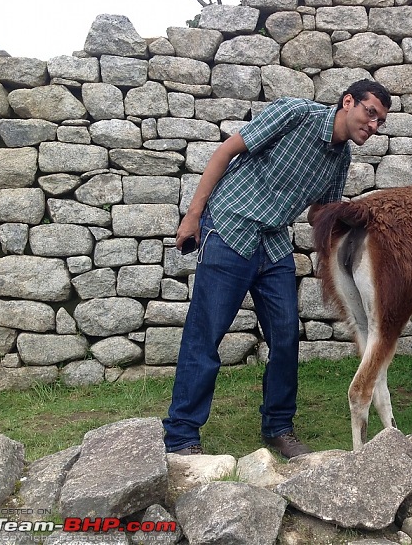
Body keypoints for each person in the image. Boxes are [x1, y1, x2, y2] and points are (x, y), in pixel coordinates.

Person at [162, 79, 392, 458]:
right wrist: (193, 216)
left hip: (273, 242)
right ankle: (182, 435)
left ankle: (279, 427)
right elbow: (225, 153)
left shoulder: (341, 159)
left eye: (380, 122)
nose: (373, 125)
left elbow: (320, 212)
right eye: (370, 113)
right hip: (229, 227)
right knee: (205, 335)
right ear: (347, 101)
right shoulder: (293, 113)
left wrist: (358, 214)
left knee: (285, 338)